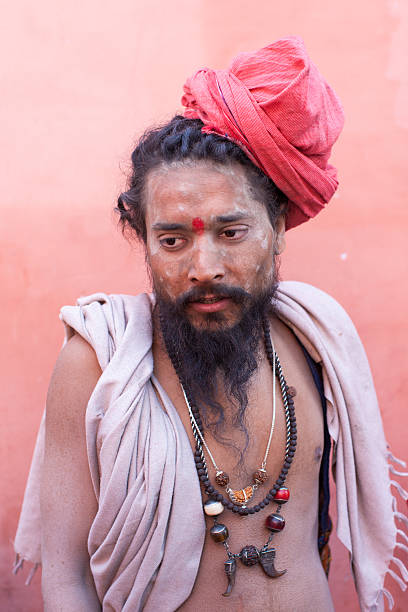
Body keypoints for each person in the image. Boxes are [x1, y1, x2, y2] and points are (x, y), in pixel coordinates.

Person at [14, 36, 408, 611]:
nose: (204, 268)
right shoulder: (97, 364)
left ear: (276, 228)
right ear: (143, 243)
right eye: (172, 239)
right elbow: (68, 579)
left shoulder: (316, 341)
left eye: (231, 233)